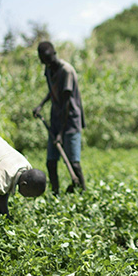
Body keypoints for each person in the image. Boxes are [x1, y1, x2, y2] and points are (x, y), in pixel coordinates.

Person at [33, 41, 86, 195]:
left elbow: (66, 103)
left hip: (70, 122)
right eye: (44, 60)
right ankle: (56, 193)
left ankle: (83, 193)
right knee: (51, 162)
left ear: (54, 54)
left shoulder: (66, 71)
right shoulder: (49, 70)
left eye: (49, 58)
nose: (48, 63)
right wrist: (40, 105)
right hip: (56, 120)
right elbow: (52, 91)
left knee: (73, 163)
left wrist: (60, 134)